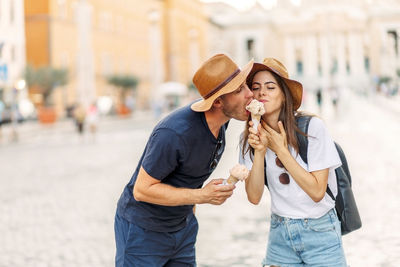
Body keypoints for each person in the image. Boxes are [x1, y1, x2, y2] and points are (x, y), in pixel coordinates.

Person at [115, 54, 254, 267]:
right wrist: (202, 195)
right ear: (217, 102)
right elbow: (142, 190)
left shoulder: (222, 122)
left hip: (183, 228)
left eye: (245, 86)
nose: (249, 94)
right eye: (239, 90)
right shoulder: (174, 133)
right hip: (143, 231)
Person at [240, 58, 347, 266]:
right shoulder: (250, 137)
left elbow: (317, 192)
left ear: (284, 95)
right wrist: (260, 151)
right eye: (256, 88)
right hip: (280, 235)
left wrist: (281, 150)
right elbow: (253, 197)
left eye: (270, 87)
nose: (262, 93)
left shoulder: (312, 128)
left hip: (321, 233)